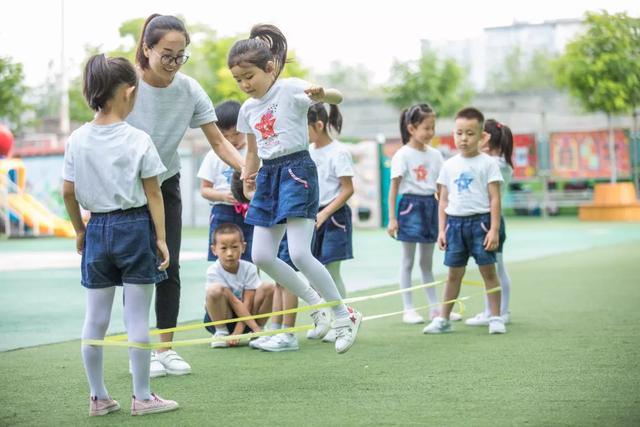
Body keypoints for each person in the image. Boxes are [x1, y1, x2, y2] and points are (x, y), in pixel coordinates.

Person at [228, 24, 362, 354]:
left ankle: (343, 315)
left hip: (296, 170)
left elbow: (337, 97)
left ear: (269, 68)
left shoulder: (289, 90)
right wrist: (248, 177)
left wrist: (323, 95)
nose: (245, 85)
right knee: (261, 255)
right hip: (268, 178)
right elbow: (252, 150)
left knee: (300, 253)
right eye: (239, 79)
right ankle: (316, 306)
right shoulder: (247, 109)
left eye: (249, 76)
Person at [127, 14, 244, 376]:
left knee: (169, 265)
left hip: (165, 183)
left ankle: (165, 349)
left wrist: (246, 170)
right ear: (146, 49)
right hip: (126, 189)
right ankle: (139, 352)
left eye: (181, 56)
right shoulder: (126, 86)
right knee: (135, 271)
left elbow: (219, 140)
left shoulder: (189, 89)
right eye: (167, 54)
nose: (174, 63)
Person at [62, 54, 178, 416]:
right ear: (129, 91)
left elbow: (68, 191)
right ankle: (142, 397)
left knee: (94, 319)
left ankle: (98, 397)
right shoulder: (137, 138)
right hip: (134, 226)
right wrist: (160, 237)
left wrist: (81, 231)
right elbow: (154, 192)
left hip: (96, 227)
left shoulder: (77, 139)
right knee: (137, 320)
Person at [423, 107, 506, 335]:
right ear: (453, 134)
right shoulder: (448, 165)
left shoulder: (488, 163)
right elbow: (442, 201)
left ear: (481, 136)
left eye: (470, 133)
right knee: (453, 275)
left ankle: (496, 317)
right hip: (455, 226)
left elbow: (495, 198)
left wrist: (494, 230)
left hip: (480, 224)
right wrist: (442, 230)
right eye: (459, 133)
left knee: (489, 273)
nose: (464, 138)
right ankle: (443, 319)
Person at [387, 104, 461, 324]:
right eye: (426, 128)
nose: (430, 132)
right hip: (410, 206)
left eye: (433, 127)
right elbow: (393, 188)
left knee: (426, 264)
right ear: (411, 128)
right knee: (408, 260)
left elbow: (441, 189)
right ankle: (408, 308)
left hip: (430, 206)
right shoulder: (402, 155)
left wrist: (446, 216)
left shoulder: (436, 155)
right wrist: (392, 218)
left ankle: (435, 308)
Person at [465, 119, 513, 326]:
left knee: (494, 270)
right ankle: (498, 311)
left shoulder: (494, 164)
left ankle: (496, 312)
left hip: (489, 221)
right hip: (491, 220)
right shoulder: (500, 162)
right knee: (496, 269)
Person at [197, 100, 253, 262]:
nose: (232, 140)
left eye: (236, 133)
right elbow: (205, 189)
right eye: (225, 136)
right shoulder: (214, 155)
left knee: (250, 255)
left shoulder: (253, 153)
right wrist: (222, 196)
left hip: (250, 211)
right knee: (221, 257)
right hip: (223, 211)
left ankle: (251, 286)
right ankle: (221, 286)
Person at [203, 223, 275, 347]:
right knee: (214, 290)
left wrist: (240, 332)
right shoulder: (213, 271)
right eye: (223, 248)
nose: (230, 253)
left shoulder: (250, 268)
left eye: (235, 247)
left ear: (243, 247)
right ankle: (221, 332)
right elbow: (234, 302)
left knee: (269, 287)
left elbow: (248, 302)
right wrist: (235, 332)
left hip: (248, 318)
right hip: (222, 317)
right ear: (214, 250)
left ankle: (258, 331)